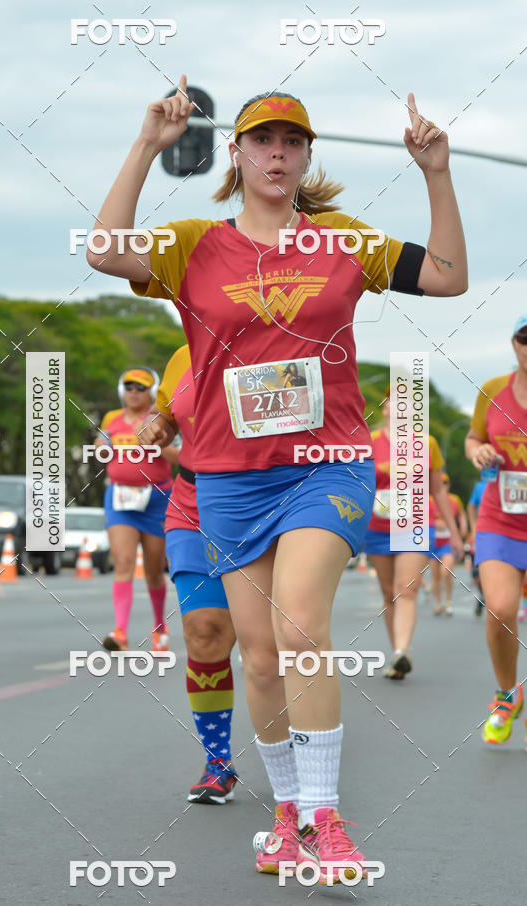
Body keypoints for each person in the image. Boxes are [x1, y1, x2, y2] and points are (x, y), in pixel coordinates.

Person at [87, 77, 467, 881]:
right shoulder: (194, 243)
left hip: (326, 469)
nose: (278, 152)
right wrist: (147, 145)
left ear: (305, 157)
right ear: (238, 152)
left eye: (293, 141)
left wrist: (437, 170)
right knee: (258, 659)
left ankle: (327, 821)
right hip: (227, 480)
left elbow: (445, 276)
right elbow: (103, 250)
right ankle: (290, 814)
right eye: (263, 139)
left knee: (300, 629)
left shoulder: (344, 244)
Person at [142, 345, 238, 804]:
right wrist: (157, 427)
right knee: (203, 632)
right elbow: (169, 416)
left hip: (266, 505)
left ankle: (301, 758)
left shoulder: (290, 337)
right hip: (193, 503)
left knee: (271, 646)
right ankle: (218, 763)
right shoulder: (183, 355)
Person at [364, 398, 464, 678]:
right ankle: (397, 653)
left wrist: (455, 534)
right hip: (378, 527)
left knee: (406, 589)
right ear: (384, 407)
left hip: (415, 526)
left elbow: (439, 491)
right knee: (388, 594)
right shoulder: (368, 442)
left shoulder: (427, 443)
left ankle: (401, 652)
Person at [465, 316, 527, 746]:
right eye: (526, 338)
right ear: (514, 343)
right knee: (501, 609)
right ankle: (506, 694)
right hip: (499, 519)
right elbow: (472, 437)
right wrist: (478, 450)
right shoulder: (492, 390)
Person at [95, 367, 175, 652]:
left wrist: (156, 444)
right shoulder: (111, 419)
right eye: (129, 386)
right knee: (124, 563)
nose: (134, 392)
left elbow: (180, 455)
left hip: (157, 498)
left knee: (154, 570)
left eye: (141, 388)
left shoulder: (159, 419)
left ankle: (159, 628)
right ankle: (120, 632)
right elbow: (102, 444)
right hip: (120, 498)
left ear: (152, 392)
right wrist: (101, 446)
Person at [430, 474, 468, 616]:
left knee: (446, 571)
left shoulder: (454, 500)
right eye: (440, 482)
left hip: (448, 543)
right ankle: (439, 603)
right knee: (436, 576)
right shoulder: (428, 499)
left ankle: (448, 602)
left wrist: (463, 526)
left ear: (448, 485)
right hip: (433, 543)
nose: (443, 485)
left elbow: (461, 514)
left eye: (445, 483)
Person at [467, 476, 488, 613]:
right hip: (481, 534)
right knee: (476, 573)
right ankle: (483, 595)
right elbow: (470, 506)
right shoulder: (480, 486)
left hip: (502, 535)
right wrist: (473, 529)